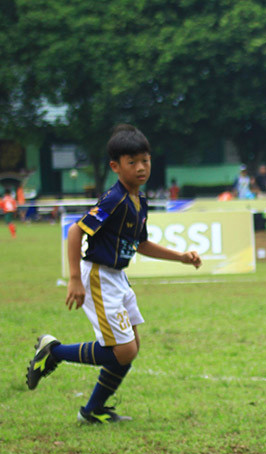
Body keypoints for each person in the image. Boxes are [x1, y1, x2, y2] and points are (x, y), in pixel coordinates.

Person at [25, 124, 202, 423]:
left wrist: (181, 257)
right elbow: (74, 232)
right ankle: (54, 352)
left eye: (144, 160)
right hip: (98, 276)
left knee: (131, 346)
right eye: (132, 162)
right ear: (115, 167)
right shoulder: (114, 199)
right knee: (124, 351)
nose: (141, 167)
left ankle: (92, 410)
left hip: (117, 277)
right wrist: (73, 279)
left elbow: (141, 243)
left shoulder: (138, 200)